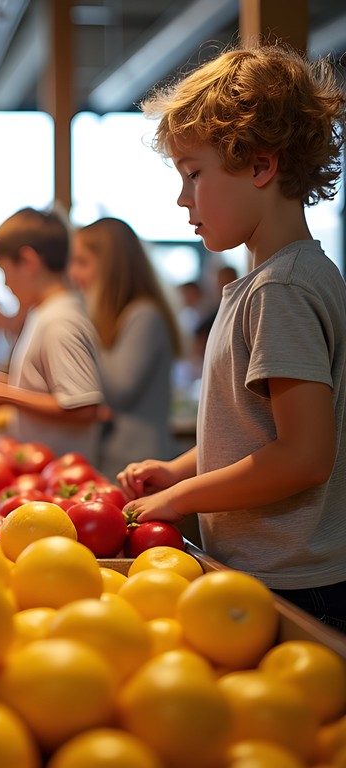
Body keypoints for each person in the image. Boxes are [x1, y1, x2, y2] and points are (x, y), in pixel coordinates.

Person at [119, 45, 346, 629]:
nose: (181, 197)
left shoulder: (281, 291)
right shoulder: (274, 281)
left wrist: (180, 499)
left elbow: (303, 457)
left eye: (194, 174)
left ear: (260, 166)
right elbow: (254, 432)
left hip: (292, 581)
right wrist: (181, 470)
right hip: (273, 570)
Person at [0, 207, 105, 461]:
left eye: (4, 270)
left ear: (28, 261)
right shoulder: (44, 313)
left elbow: (83, 407)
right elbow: (52, 391)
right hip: (47, 472)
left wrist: (5, 395)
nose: (5, 283)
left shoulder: (60, 320)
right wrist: (3, 384)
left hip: (63, 476)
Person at [68, 217, 183, 478]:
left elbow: (119, 390)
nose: (73, 274)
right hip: (121, 461)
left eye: (82, 262)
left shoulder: (144, 316)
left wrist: (82, 328)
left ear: (111, 268)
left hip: (140, 464)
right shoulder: (124, 318)